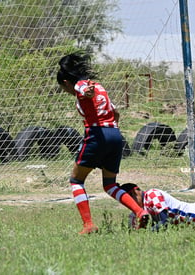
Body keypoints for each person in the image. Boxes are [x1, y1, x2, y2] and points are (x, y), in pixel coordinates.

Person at [56, 51, 149, 234]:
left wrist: (85, 92)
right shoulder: (100, 87)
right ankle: (139, 211)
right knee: (110, 185)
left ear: (66, 83)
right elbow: (116, 113)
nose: (66, 91)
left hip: (96, 134)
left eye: (63, 88)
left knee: (76, 180)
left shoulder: (82, 85)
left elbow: (82, 89)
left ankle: (88, 224)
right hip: (115, 134)